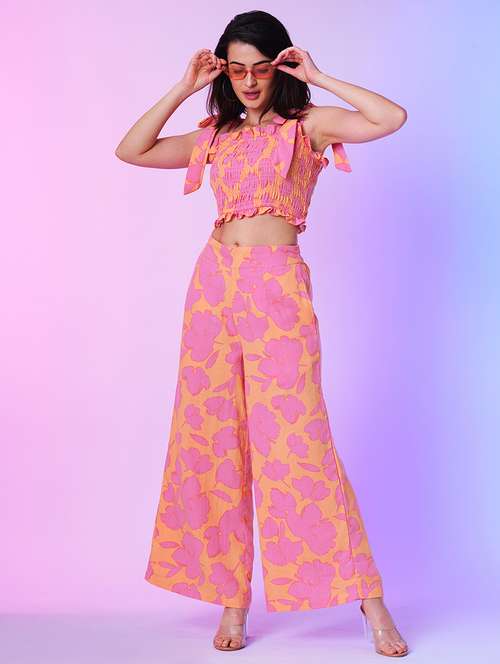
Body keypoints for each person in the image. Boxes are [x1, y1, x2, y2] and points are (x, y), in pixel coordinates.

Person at [115, 10, 409, 657]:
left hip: (277, 289)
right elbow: (131, 150)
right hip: (213, 288)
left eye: (260, 69)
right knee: (215, 441)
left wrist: (320, 77)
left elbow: (390, 118)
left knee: (300, 442)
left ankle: (370, 600)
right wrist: (184, 87)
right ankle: (233, 599)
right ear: (225, 72)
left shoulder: (307, 126)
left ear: (280, 67)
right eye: (237, 70)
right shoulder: (216, 136)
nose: (248, 82)